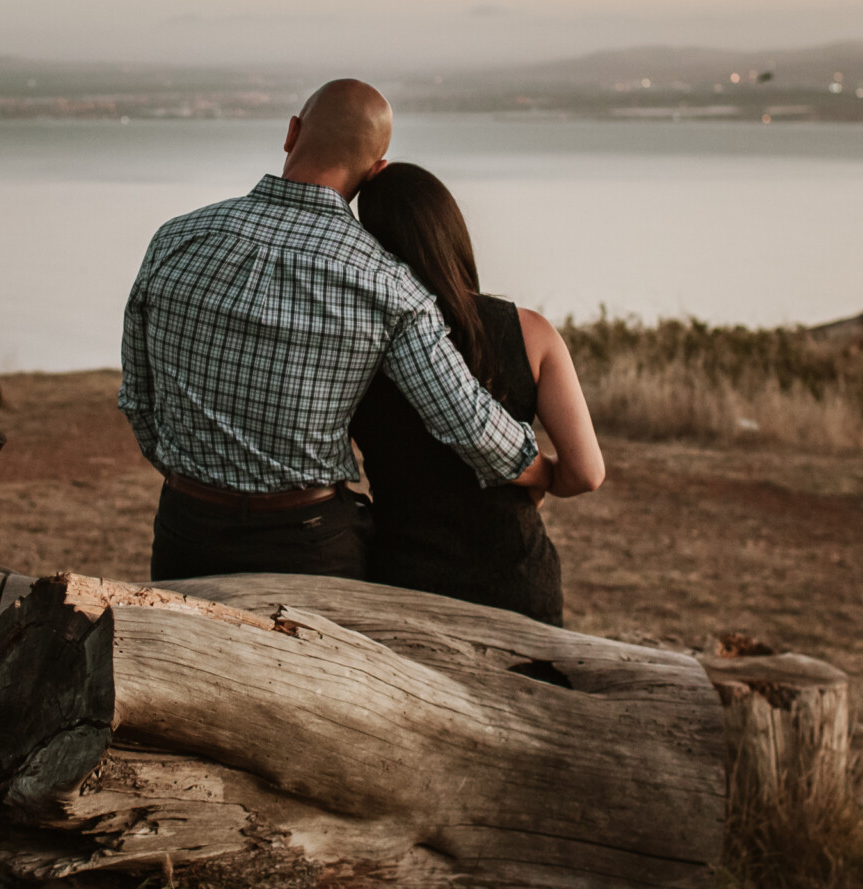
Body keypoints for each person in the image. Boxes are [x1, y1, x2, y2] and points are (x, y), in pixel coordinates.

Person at [118, 79, 546, 582]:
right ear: (376, 170)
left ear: (292, 132)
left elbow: (139, 399)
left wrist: (190, 482)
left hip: (184, 528)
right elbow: (467, 423)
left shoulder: (177, 238)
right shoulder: (388, 285)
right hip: (308, 541)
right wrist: (543, 470)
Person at [351, 162, 605, 624]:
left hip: (405, 583)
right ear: (451, 233)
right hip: (516, 583)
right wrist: (541, 476)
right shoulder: (531, 332)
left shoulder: (361, 344)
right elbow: (587, 472)